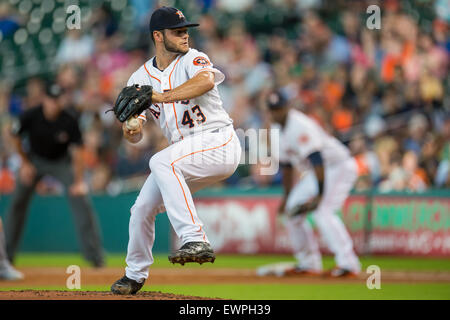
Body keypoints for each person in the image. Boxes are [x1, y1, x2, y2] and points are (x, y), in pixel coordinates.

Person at [110, 7, 242, 295]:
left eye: (185, 30)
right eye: (177, 31)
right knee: (141, 209)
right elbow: (134, 132)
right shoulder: (139, 76)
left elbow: (206, 80)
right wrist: (131, 130)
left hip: (218, 141)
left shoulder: (193, 58)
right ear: (158, 36)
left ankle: (195, 238)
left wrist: (160, 96)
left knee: (161, 161)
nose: (185, 35)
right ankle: (134, 275)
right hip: (185, 154)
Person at [4, 83, 105, 268]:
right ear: (44, 99)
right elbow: (14, 135)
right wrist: (24, 163)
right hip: (34, 161)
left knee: (81, 200)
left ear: (61, 101)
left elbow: (77, 152)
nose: (53, 104)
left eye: (57, 100)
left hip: (61, 162)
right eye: (50, 99)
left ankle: (95, 257)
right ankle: (5, 258)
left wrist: (79, 181)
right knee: (17, 203)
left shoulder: (69, 119)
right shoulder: (31, 115)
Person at [267, 91, 361, 278]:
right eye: (273, 110)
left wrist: (319, 195)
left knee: (323, 211)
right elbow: (286, 167)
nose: (276, 113)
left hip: (337, 166)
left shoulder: (299, 125)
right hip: (316, 171)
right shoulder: (275, 130)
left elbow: (316, 158)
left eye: (279, 108)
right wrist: (286, 198)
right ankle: (308, 263)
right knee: (292, 211)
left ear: (287, 107)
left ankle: (348, 264)